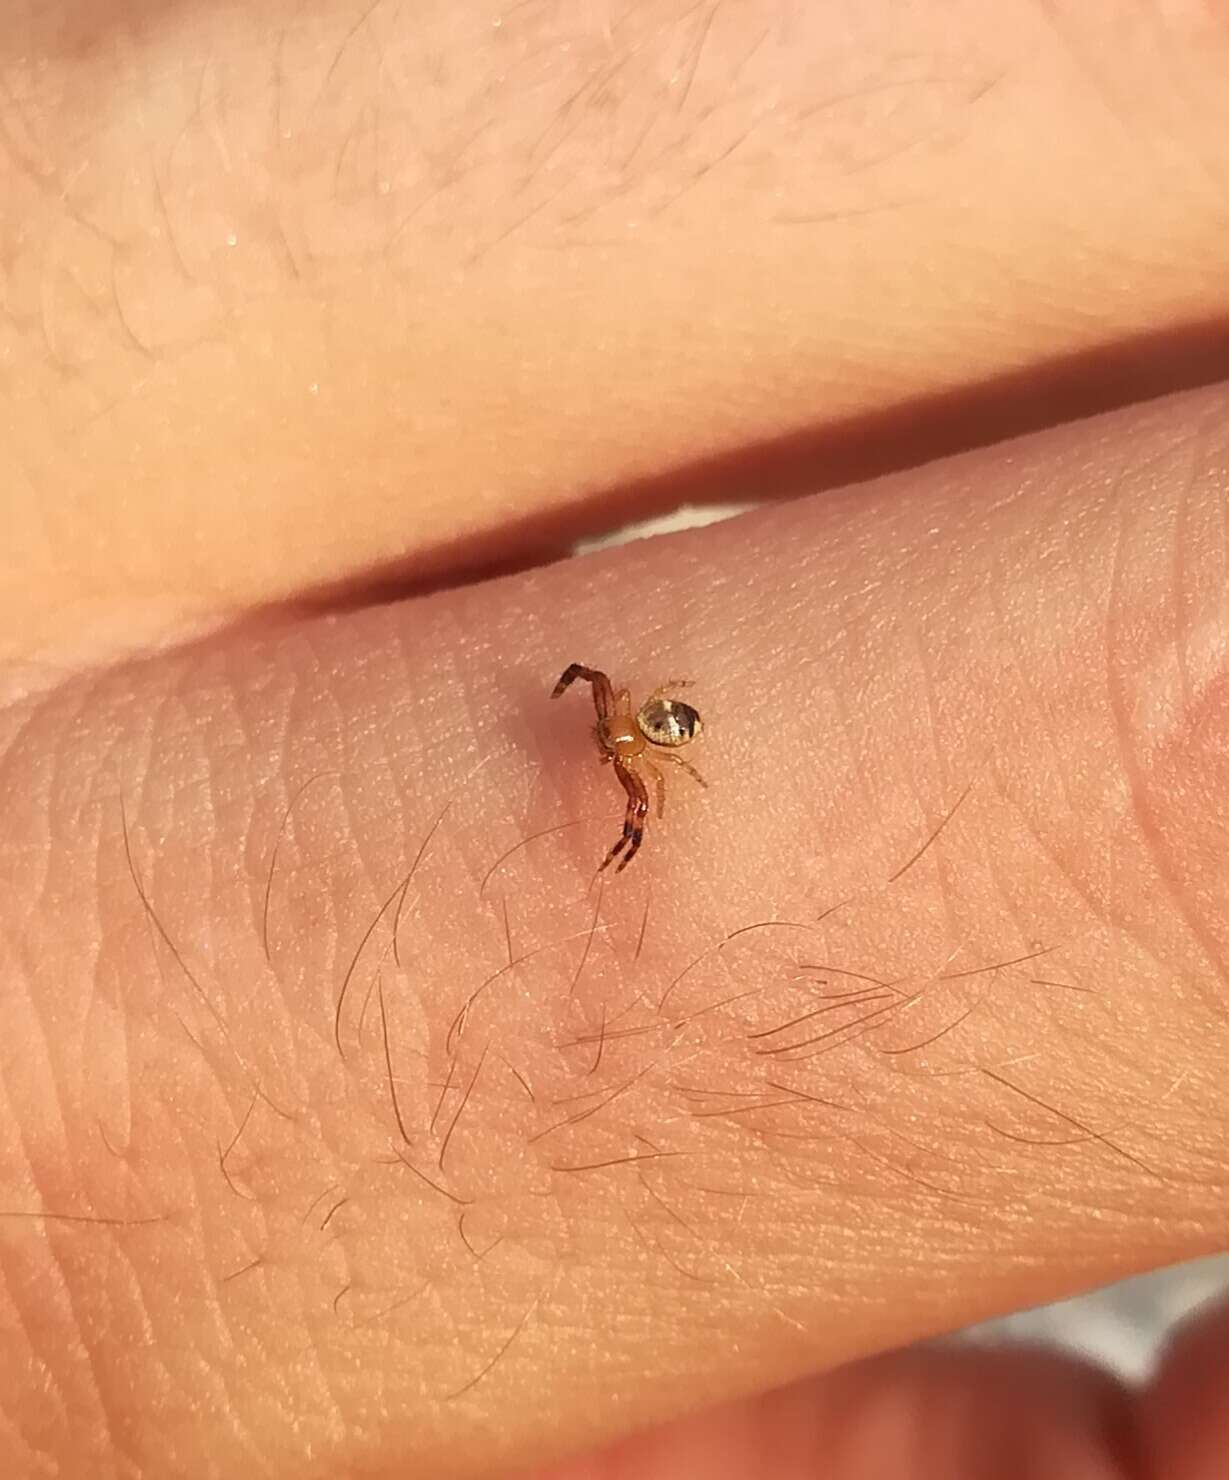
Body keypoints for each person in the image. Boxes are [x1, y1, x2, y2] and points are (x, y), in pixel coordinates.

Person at [1, 3, 1228, 1475]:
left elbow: (645, 734)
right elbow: (617, 706)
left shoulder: (644, 750)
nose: (627, 753)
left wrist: (652, 764)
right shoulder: (622, 733)